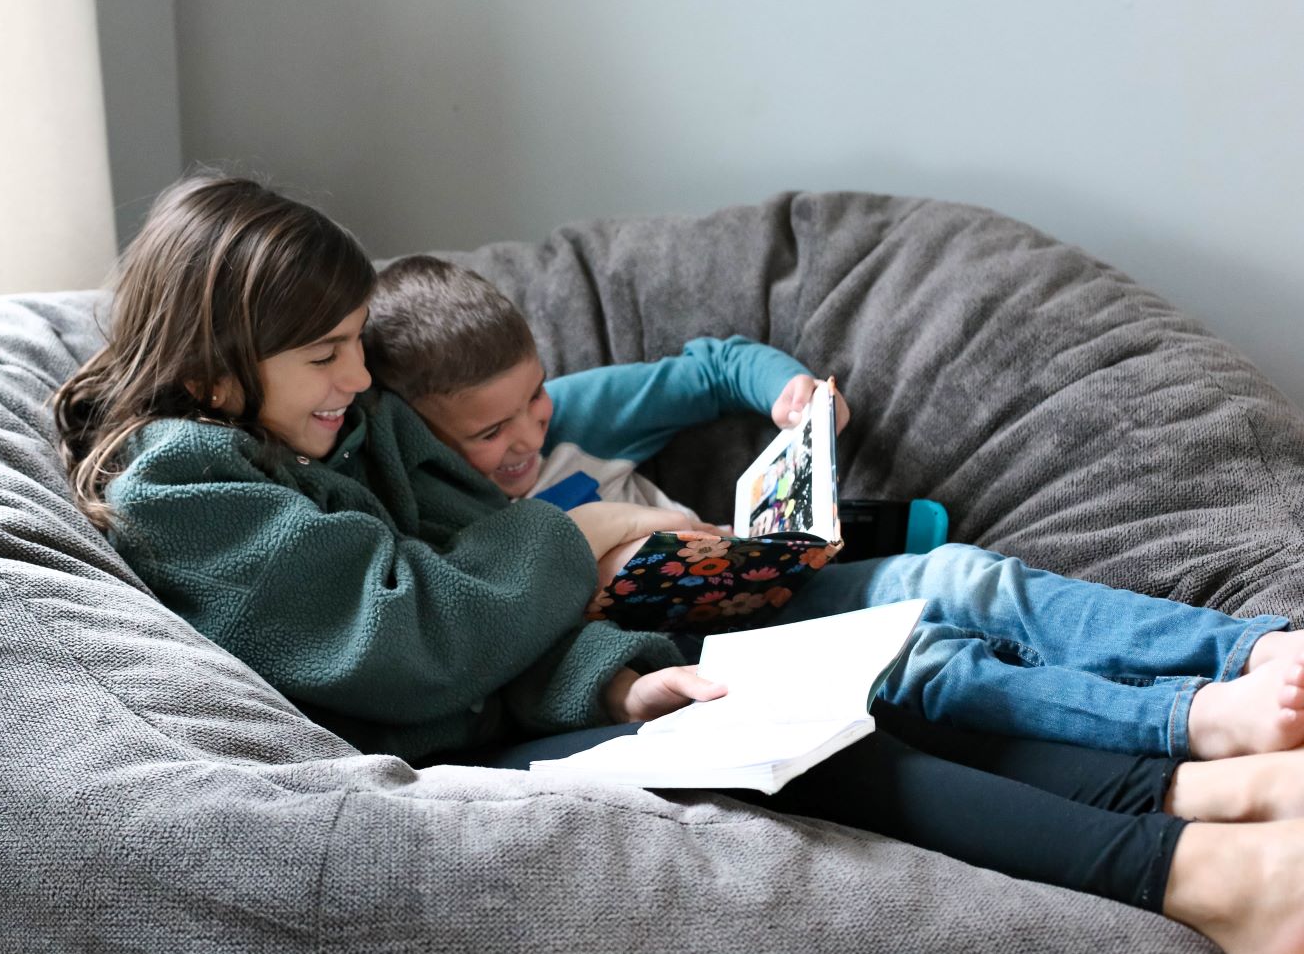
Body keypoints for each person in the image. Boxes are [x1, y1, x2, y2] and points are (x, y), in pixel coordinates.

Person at [53, 172, 1304, 952]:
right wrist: (579, 536)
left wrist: (615, 679)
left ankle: (1191, 796)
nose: (359, 374)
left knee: (856, 683)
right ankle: (1198, 872)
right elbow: (411, 638)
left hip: (530, 695)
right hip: (445, 753)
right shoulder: (185, 482)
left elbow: (485, 592)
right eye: (326, 350)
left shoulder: (340, 421)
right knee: (832, 751)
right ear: (220, 359)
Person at [363, 255, 1304, 762]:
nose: (526, 435)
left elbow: (712, 363)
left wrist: (788, 397)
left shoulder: (569, 412)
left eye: (531, 399)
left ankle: (1246, 644)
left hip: (765, 577)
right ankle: (1189, 720)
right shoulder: (439, 531)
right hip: (694, 663)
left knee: (966, 577)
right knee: (930, 663)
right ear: (416, 436)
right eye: (486, 434)